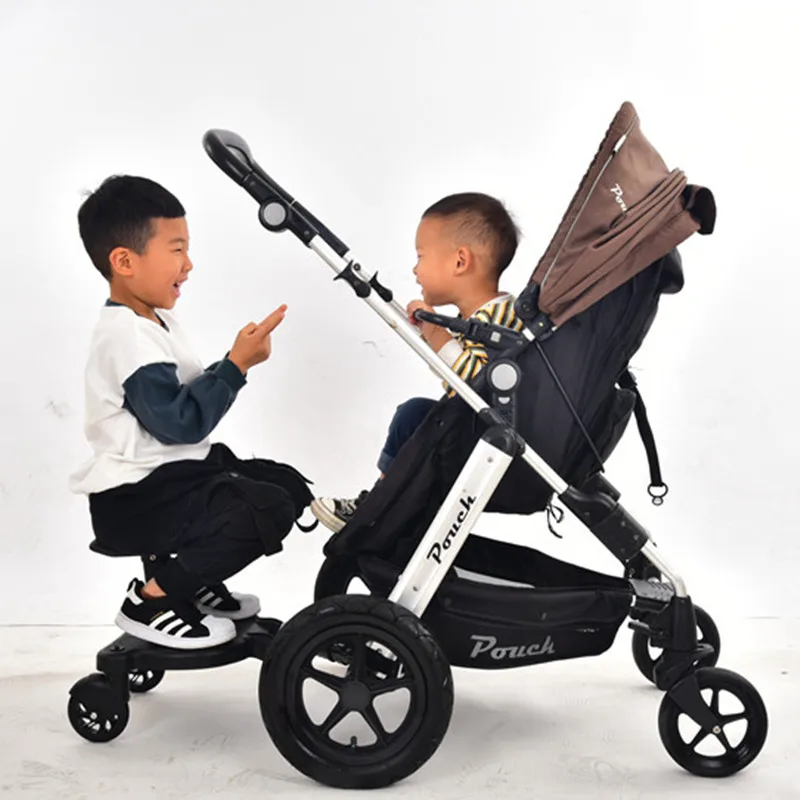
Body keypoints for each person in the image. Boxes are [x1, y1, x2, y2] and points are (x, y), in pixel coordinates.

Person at [70, 175, 313, 649]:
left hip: (171, 478)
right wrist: (237, 366)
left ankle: (191, 583)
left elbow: (185, 398)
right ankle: (151, 600)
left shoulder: (152, 321)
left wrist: (234, 361)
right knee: (265, 509)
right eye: (177, 250)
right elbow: (181, 424)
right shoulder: (126, 336)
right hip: (137, 496)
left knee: (281, 483)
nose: (189, 264)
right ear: (125, 261)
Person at [311, 192, 524, 533]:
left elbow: (478, 382)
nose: (414, 268)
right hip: (476, 432)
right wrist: (435, 332)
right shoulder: (483, 317)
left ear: (460, 262)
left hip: (487, 441)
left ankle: (379, 508)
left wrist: (435, 331)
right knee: (416, 415)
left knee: (414, 415)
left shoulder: (497, 320)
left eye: (421, 256)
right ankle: (384, 500)